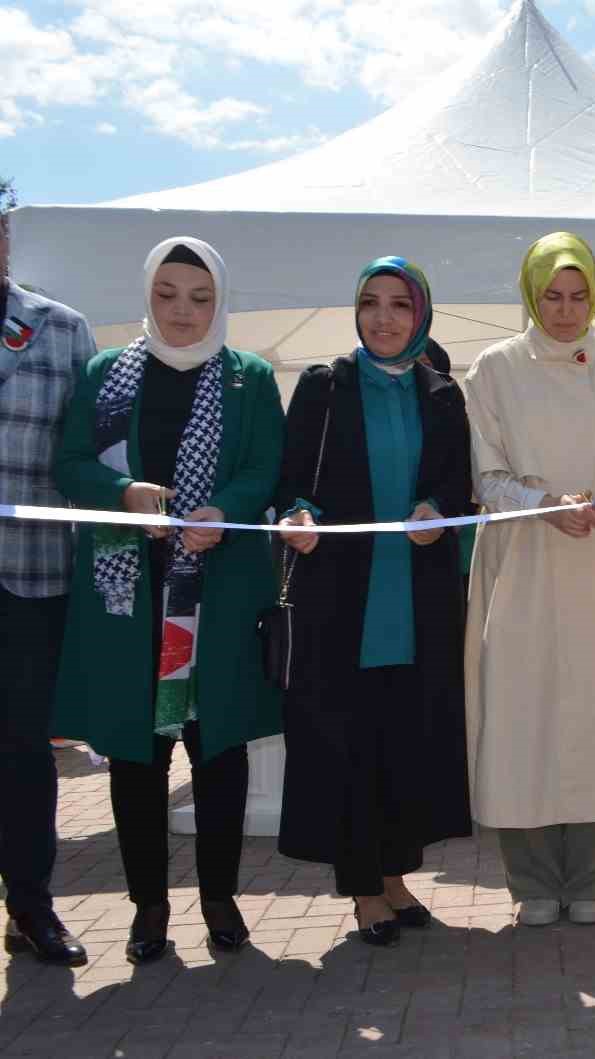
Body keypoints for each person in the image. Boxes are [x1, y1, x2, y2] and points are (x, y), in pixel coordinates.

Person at [51, 236, 284, 962]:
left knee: (219, 752)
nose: (183, 311)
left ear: (220, 301)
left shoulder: (249, 376)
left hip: (215, 598)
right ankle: (148, 905)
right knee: (135, 757)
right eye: (168, 294)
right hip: (129, 602)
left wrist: (224, 508)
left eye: (200, 297)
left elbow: (264, 468)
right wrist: (121, 492)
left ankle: (220, 897)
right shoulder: (102, 373)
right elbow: (70, 463)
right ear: (148, 295)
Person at [462, 232, 595, 927]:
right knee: (525, 715)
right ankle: (529, 880)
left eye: (578, 295)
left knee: (593, 714)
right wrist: (543, 505)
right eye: (552, 295)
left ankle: (593, 876)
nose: (565, 309)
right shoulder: (493, 368)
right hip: (522, 563)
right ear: (529, 294)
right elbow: (485, 472)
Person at [274, 257, 474, 946]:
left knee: (402, 744)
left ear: (421, 316)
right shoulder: (326, 387)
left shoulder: (442, 393)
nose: (383, 317)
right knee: (350, 744)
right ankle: (363, 889)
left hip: (417, 604)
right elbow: (293, 479)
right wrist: (297, 515)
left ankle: (393, 877)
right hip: (343, 605)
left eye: (398, 305)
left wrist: (436, 506)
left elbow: (457, 484)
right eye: (370, 302)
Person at [0, 209, 95, 966]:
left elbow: (90, 450)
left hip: (32, 576)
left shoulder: (61, 329)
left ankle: (29, 906)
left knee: (24, 750)